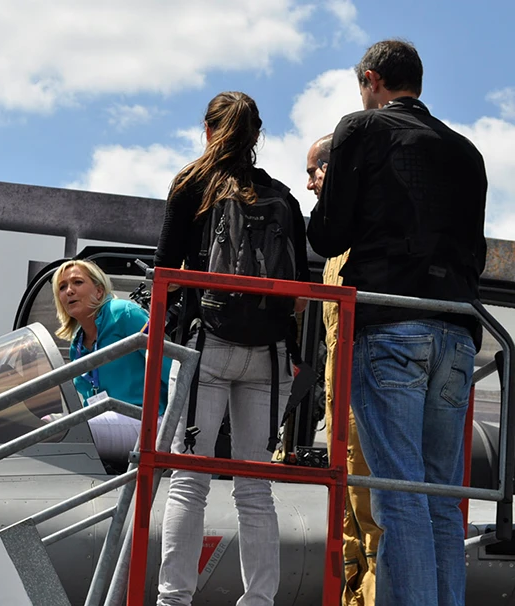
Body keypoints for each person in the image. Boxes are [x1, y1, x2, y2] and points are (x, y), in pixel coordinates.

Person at [307, 40, 487, 606]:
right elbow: (476, 256)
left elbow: (329, 235)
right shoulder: (468, 152)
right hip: (459, 333)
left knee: (398, 496)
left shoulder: (360, 129)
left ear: (371, 79)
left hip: (390, 326)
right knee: (438, 497)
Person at [154, 91, 309, 606]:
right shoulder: (284, 197)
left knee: (188, 480)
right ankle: (259, 601)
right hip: (269, 355)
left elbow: (167, 273)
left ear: (207, 129)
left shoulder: (191, 185)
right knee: (255, 489)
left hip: (207, 346)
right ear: (258, 136)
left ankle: (174, 599)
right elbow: (302, 298)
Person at [306, 133, 381, 606]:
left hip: (365, 403)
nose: (309, 183)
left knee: (372, 519)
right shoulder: (334, 250)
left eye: (313, 172)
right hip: (338, 408)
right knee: (347, 525)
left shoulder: (366, 240)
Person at [52, 259, 171, 462]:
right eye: (62, 287)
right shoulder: (77, 345)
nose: (69, 291)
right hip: (107, 421)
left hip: (149, 422)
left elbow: (170, 368)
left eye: (77, 282)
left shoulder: (124, 313)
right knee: (47, 424)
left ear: (99, 291)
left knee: (57, 429)